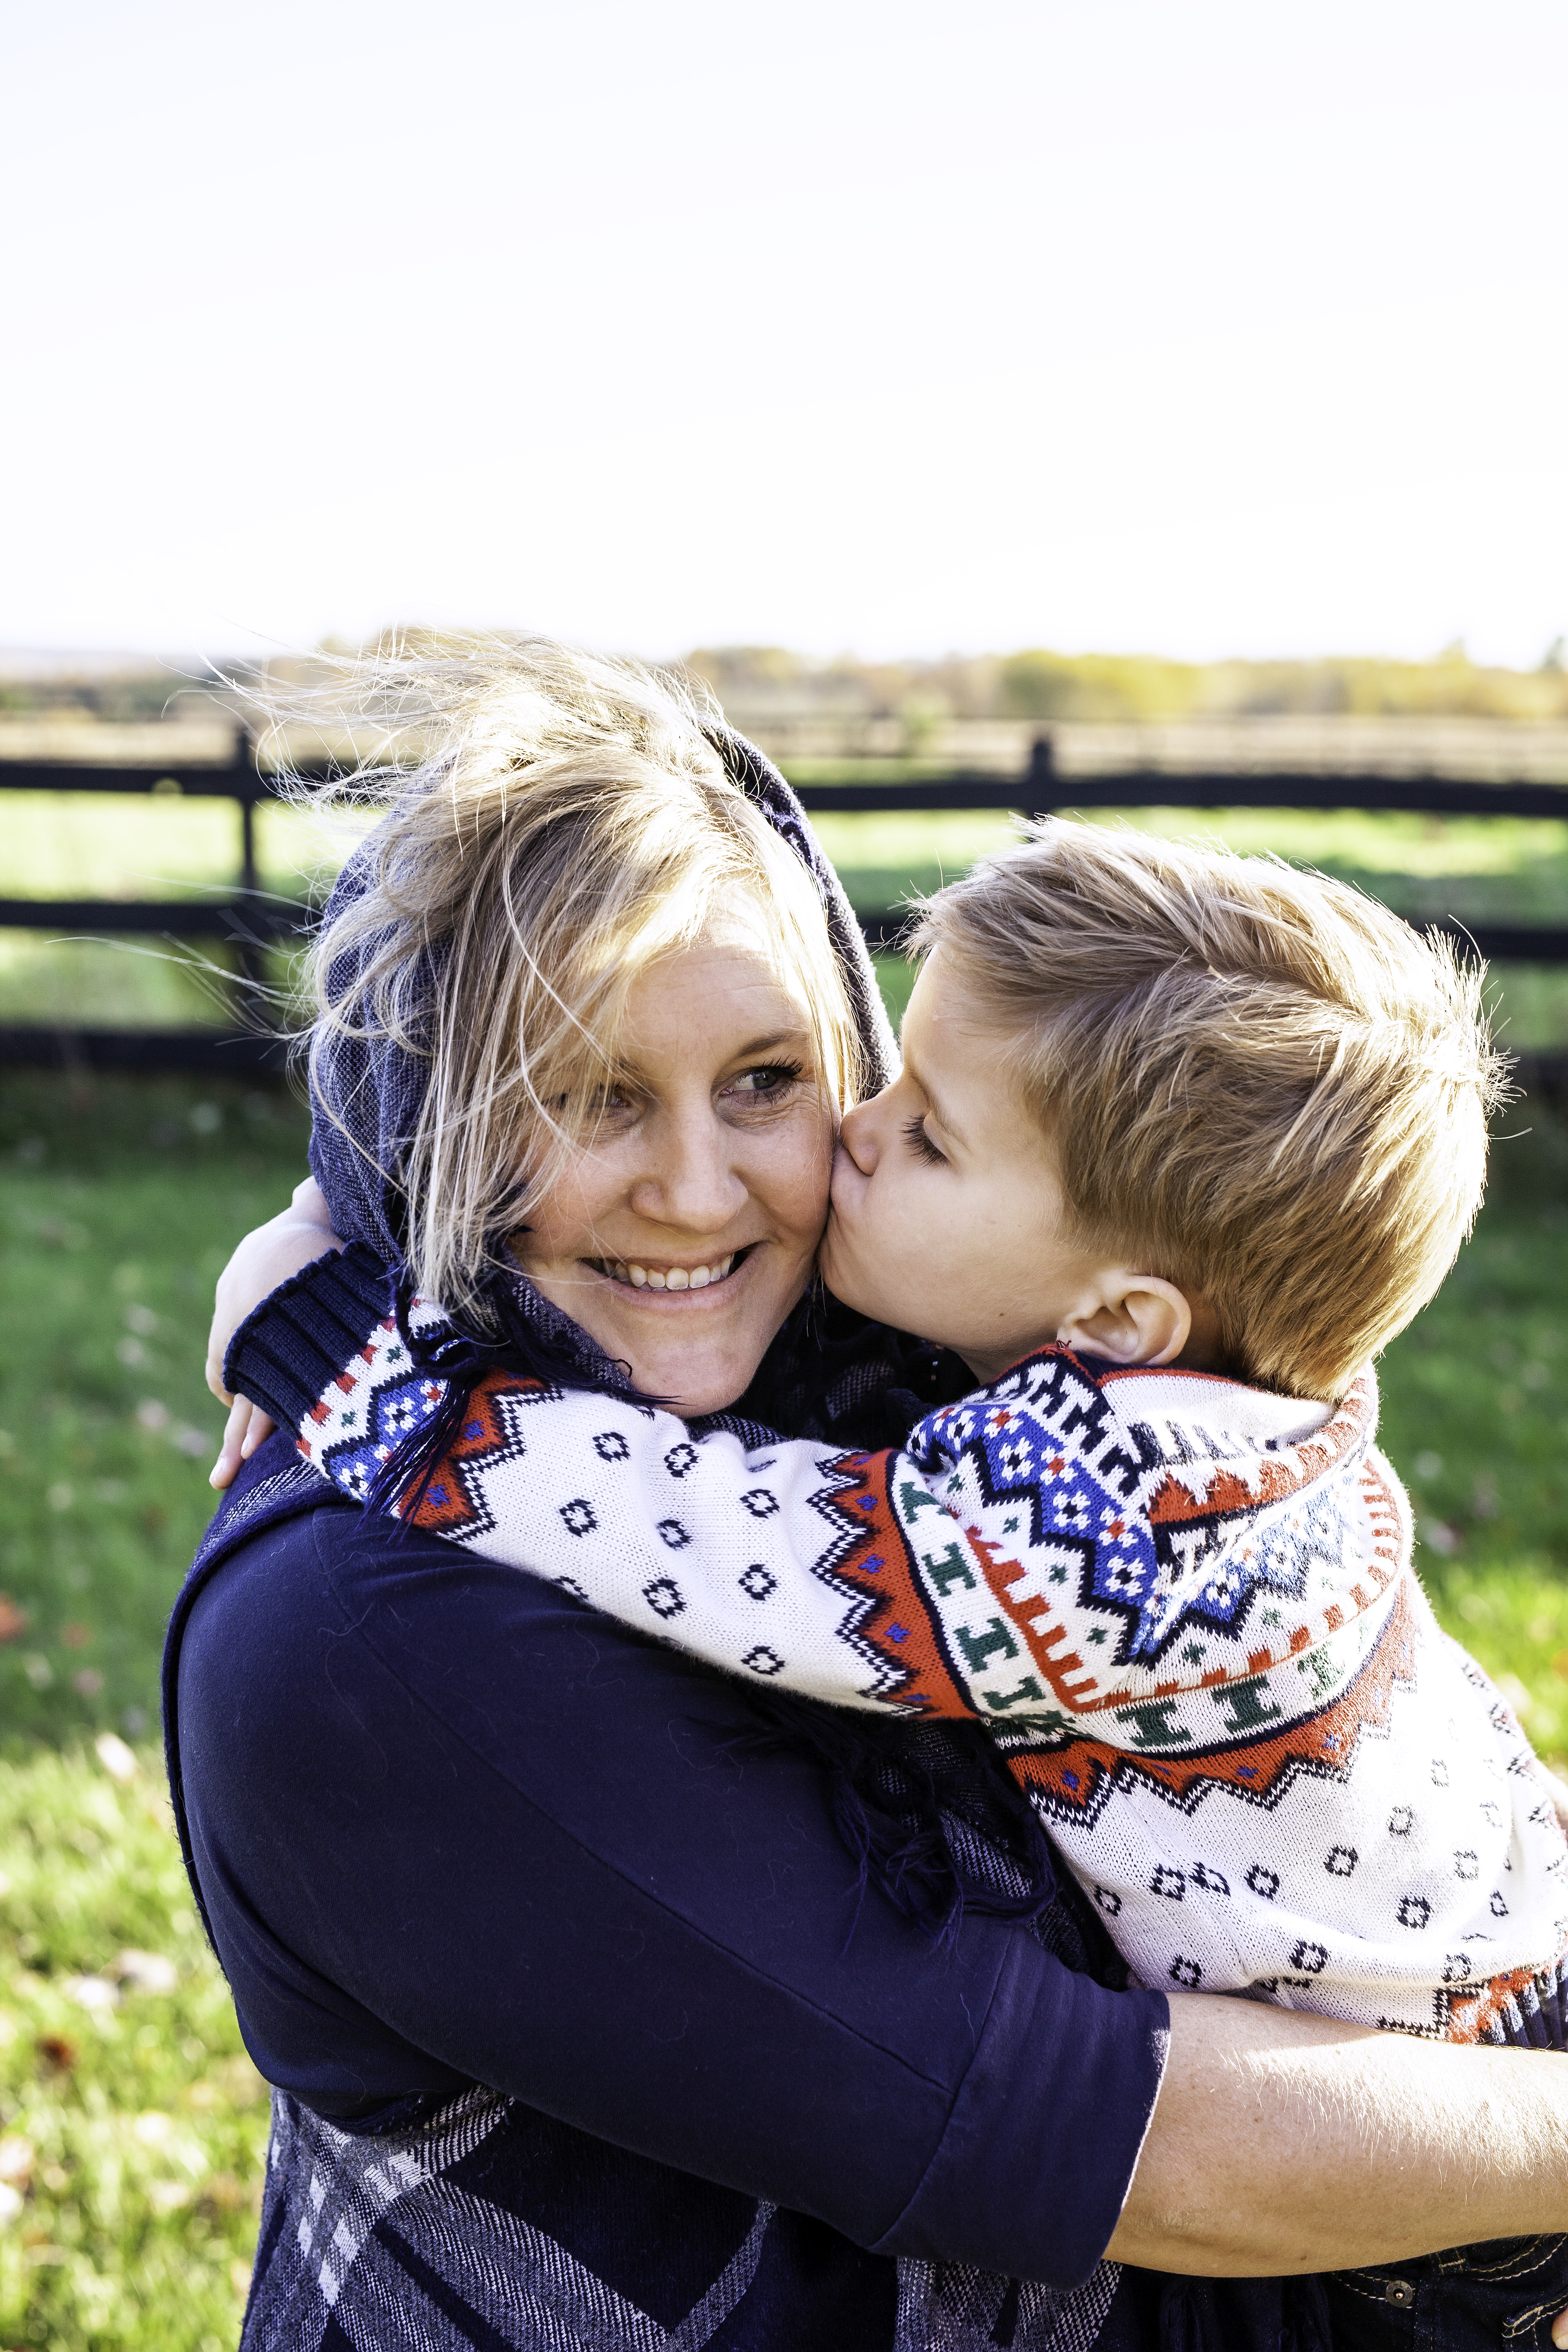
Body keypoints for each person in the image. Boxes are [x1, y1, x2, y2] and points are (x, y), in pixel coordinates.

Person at [188, 641, 1568, 2352]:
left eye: (778, 1079)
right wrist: (344, 1260)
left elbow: (705, 1522)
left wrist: (338, 1309)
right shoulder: (369, 1648)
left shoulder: (1026, 1463)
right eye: (586, 1092)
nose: (708, 1190)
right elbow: (1090, 2132)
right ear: (443, 1111)